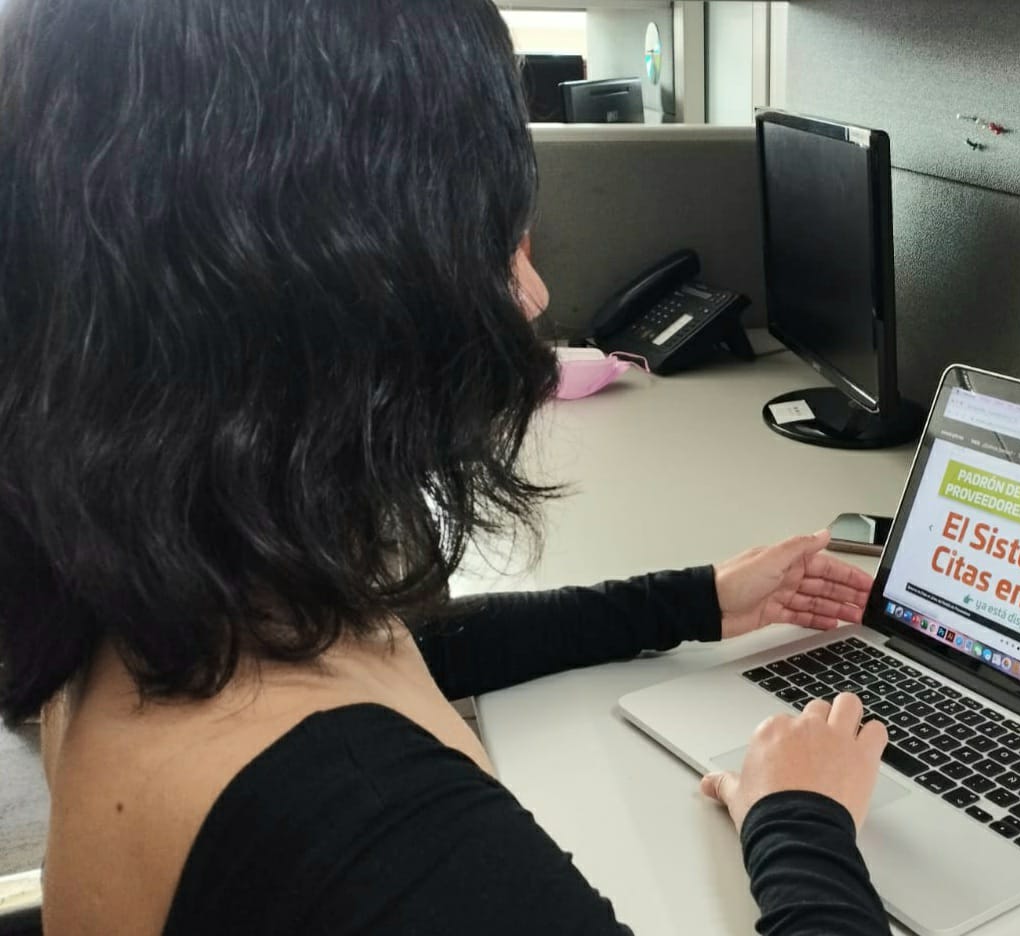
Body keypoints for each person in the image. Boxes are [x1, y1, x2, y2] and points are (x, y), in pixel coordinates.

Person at [0, 1, 891, 933]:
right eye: (493, 235)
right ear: (325, 274)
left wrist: (697, 600)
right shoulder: (374, 828)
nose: (533, 295)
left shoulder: (159, 586)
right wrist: (801, 818)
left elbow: (406, 643)